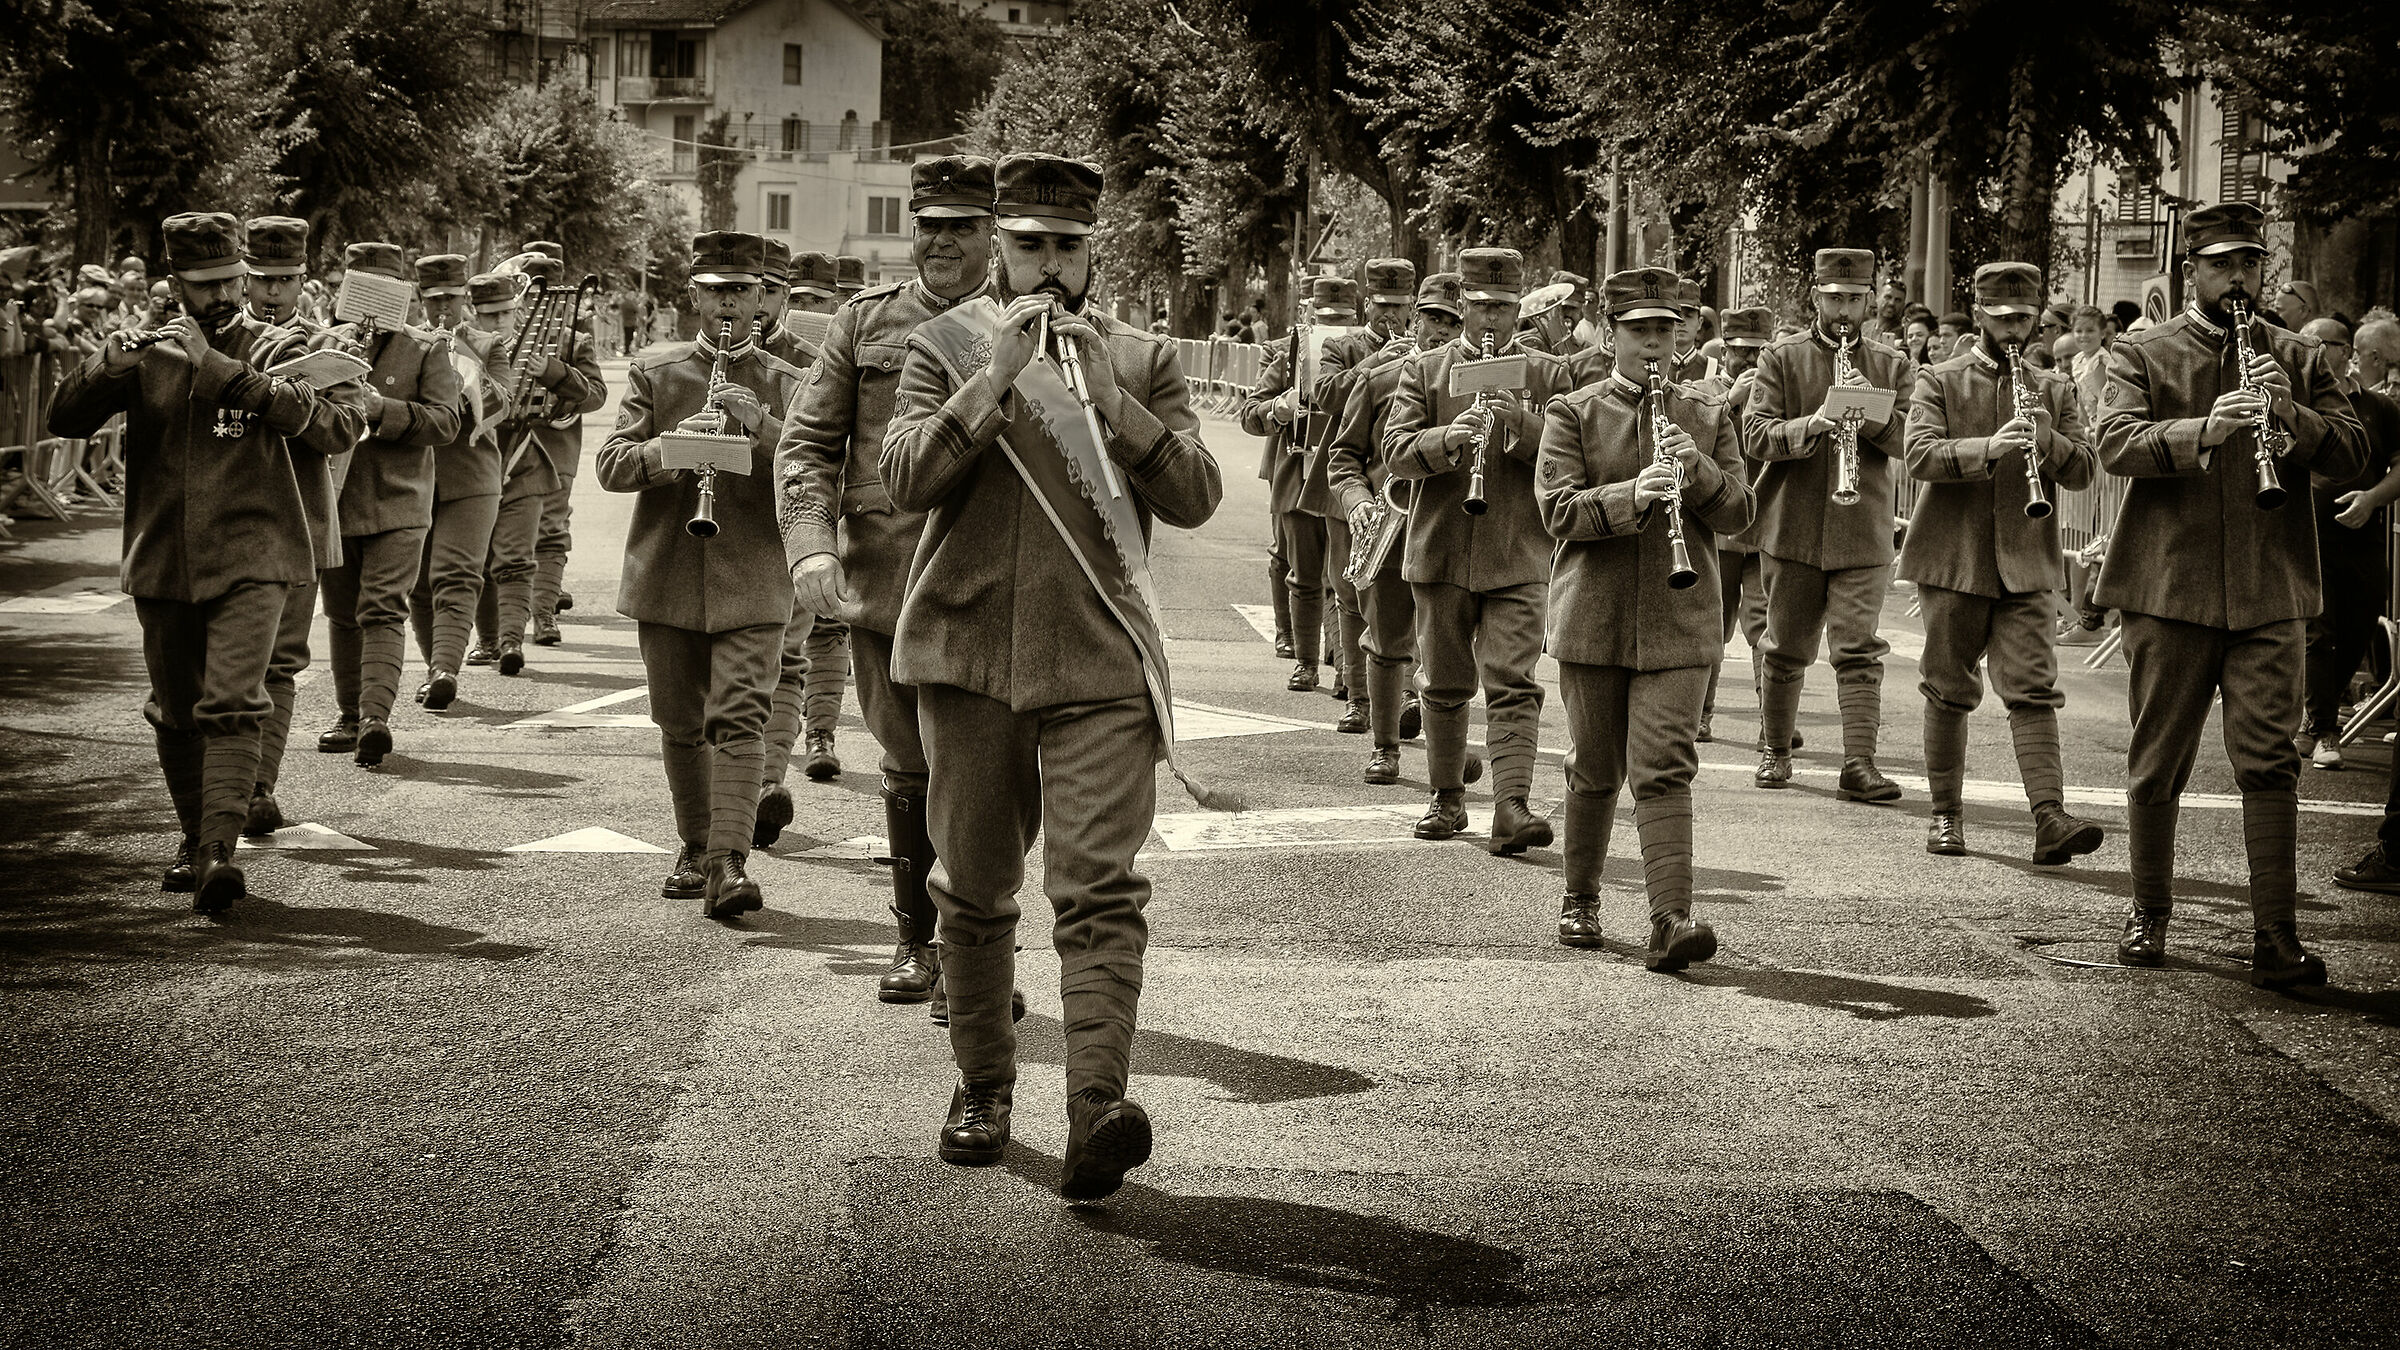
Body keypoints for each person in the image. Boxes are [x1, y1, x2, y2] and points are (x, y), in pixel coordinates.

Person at [880, 152, 1223, 1199]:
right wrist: (993, 382)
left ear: (1092, 254)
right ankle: (983, 1084)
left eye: (1066, 248)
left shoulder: (1142, 356)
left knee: (1100, 890)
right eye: (1027, 244)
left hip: (1100, 660)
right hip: (969, 653)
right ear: (999, 245)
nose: (1047, 266)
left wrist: (1115, 403)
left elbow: (1199, 495)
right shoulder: (942, 346)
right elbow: (904, 478)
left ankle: (1094, 1111)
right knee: (975, 894)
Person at [47, 211, 365, 912]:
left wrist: (220, 370)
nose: (222, 295)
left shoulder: (282, 344)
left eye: (231, 280)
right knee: (174, 711)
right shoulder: (146, 350)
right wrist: (108, 366)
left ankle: (221, 848)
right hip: (162, 558)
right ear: (176, 285)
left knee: (231, 699)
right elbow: (62, 421)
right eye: (204, 284)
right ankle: (195, 842)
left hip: (259, 554)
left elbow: (341, 425)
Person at [2094, 201, 2366, 985]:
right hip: (2168, 584)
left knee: (2270, 763)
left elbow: (2352, 452)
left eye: (2249, 262)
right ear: (2193, 271)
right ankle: (2149, 912)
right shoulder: (2143, 351)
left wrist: (2291, 412)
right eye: (2222, 264)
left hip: (2269, 590)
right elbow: (2114, 442)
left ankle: (2275, 936)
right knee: (2159, 758)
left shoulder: (2298, 356)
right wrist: (2200, 432)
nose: (2239, 277)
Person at [777, 154, 997, 1005]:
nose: (940, 242)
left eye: (961, 228)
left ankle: (978, 955)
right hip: (889, 583)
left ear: (992, 235)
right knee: (907, 768)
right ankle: (917, 943)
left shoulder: (1023, 328)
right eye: (928, 225)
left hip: (992, 588)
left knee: (981, 782)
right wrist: (809, 545)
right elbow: (807, 447)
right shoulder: (864, 322)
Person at [1536, 265, 1753, 966]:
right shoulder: (1574, 411)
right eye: (1639, 330)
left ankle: (1671, 918)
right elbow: (1557, 510)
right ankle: (1581, 897)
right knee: (1595, 767)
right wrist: (1634, 493)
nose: (1654, 343)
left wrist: (1701, 475)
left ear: (1683, 336)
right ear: (1611, 335)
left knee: (1664, 765)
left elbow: (1742, 514)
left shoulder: (1708, 413)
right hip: (1593, 616)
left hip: (1681, 617)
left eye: (1666, 329)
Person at [597, 231, 806, 919]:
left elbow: (818, 473)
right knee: (681, 722)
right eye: (715, 290)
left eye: (741, 291)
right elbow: (611, 465)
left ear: (761, 299)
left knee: (740, 717)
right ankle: (695, 842)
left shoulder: (788, 380)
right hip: (667, 572)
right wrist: (669, 448)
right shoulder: (658, 374)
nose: (728, 303)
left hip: (755, 577)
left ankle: (729, 862)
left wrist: (765, 427)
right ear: (694, 293)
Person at [1900, 261, 2106, 862]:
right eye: (2003, 318)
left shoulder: (2056, 388)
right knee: (1947, 687)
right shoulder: (1940, 379)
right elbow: (1919, 455)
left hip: (2027, 564)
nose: (2016, 330)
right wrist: (1986, 448)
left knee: (2033, 689)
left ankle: (2049, 817)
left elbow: (2086, 467)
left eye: (2025, 318)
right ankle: (1945, 815)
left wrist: (2047, 440)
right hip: (1953, 560)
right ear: (1982, 314)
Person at [1382, 247, 1574, 853]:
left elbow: (1573, 455)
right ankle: (1446, 796)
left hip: (1520, 552)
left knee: (1514, 679)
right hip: (1439, 547)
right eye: (1482, 305)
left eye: (1505, 306)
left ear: (1522, 308)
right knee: (1443, 679)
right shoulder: (1426, 371)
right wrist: (1448, 438)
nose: (1492, 318)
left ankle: (1512, 804)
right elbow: (1395, 450)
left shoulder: (1549, 374)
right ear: (1462, 304)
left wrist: (1518, 423)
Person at [1746, 247, 1913, 801]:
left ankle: (1859, 762)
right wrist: (1813, 424)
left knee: (1859, 648)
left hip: (1862, 528)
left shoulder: (1891, 365)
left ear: (1870, 302)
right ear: (1816, 297)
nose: (1843, 310)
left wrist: (1873, 414)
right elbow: (1755, 434)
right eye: (1834, 298)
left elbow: (1913, 443)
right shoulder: (1782, 358)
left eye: (1854, 300)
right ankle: (1775, 750)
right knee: (1786, 646)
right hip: (1791, 525)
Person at [311, 242, 462, 770]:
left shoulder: (425, 348)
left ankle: (375, 717)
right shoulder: (320, 342)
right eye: (359, 289)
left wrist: (382, 409)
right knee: (341, 614)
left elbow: (446, 422)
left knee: (381, 608)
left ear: (404, 296)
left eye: (384, 292)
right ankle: (349, 714)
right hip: (336, 499)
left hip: (399, 501)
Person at [1326, 271, 1467, 785]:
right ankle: (1385, 748)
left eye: (1453, 320)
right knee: (1386, 640)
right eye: (1432, 317)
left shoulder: (1484, 384)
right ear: (1415, 317)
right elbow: (1342, 458)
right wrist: (1358, 501)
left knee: (1447, 649)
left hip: (1452, 532)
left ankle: (1447, 751)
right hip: (1388, 528)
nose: (1441, 330)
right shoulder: (1381, 377)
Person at [410, 267, 559, 714]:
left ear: (464, 303)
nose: (443, 308)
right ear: (421, 299)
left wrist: (460, 369)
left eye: (451, 299)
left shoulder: (486, 345)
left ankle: (446, 669)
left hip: (472, 478)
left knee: (457, 575)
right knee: (418, 586)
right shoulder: (407, 343)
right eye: (434, 299)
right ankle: (431, 666)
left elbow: (502, 398)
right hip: (415, 478)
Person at [240, 216, 340, 835]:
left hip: (299, 523)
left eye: (285, 279)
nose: (273, 292)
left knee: (278, 665)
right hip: (226, 527)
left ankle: (258, 787)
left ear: (302, 279)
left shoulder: (325, 346)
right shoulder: (214, 340)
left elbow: (343, 429)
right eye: (262, 279)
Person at [471, 255, 605, 673]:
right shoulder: (477, 339)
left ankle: (542, 614)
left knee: (548, 532)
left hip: (551, 449)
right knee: (487, 541)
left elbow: (595, 395)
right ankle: (491, 637)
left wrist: (554, 371)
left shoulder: (569, 338)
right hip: (491, 450)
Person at [1309, 259, 1419, 731]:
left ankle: (1406, 694)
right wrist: (1377, 362)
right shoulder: (1342, 346)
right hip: (1348, 489)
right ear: (1367, 303)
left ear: (1411, 306)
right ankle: (1357, 695)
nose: (1390, 314)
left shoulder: (1427, 353)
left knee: (1402, 596)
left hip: (1402, 491)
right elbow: (1325, 395)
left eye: (1399, 305)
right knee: (1350, 588)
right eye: (1382, 304)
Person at [1241, 275, 1358, 690]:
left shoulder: (1363, 352)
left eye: (1343, 317)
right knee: (1305, 574)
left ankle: (1346, 669)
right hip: (1298, 473)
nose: (1335, 324)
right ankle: (1306, 662)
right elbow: (1251, 411)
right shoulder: (1289, 352)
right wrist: (1280, 407)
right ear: (1309, 313)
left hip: (1345, 479)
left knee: (1344, 581)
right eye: (1326, 316)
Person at [2297, 317, 2400, 770]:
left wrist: (2372, 497)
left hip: (2365, 534)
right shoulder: (2297, 402)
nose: (2315, 352)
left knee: (2360, 624)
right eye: (2308, 345)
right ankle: (2323, 728)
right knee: (2321, 629)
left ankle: (2314, 716)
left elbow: (2399, 467)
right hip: (2312, 531)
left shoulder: (2379, 407)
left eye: (2324, 344)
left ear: (2346, 352)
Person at [1698, 305, 1775, 743]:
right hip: (1719, 530)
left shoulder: (1777, 392)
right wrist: (1730, 403)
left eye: (1758, 353)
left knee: (1765, 628)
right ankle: (1700, 714)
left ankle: (1771, 722)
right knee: (1711, 624)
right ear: (1724, 351)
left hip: (1763, 527)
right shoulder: (1703, 390)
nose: (1749, 362)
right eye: (1741, 352)